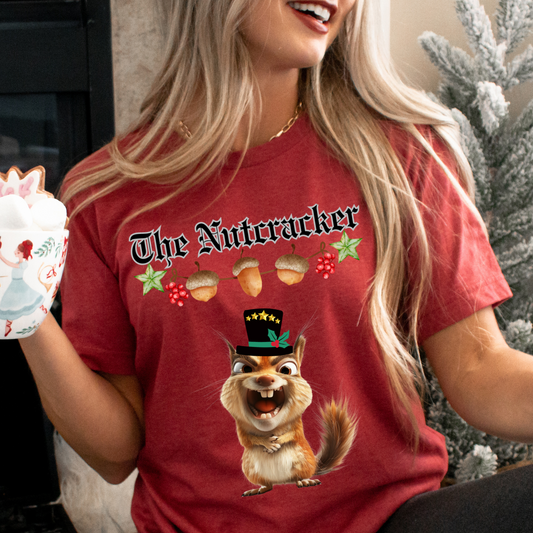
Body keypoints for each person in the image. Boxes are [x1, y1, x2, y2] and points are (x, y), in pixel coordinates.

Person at [17, 0, 533, 531]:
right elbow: (114, 453)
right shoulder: (104, 196)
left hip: (391, 522)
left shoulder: (399, 154)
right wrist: (25, 314)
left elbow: (479, 370)